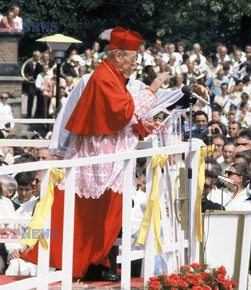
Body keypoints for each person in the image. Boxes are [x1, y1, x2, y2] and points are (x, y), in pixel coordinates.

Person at [21, 27, 177, 280]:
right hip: (99, 158)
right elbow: (121, 112)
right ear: (118, 56)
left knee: (108, 214)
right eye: (132, 57)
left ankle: (94, 262)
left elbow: (121, 116)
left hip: (111, 155)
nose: (135, 62)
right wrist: (153, 89)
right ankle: (84, 263)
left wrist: (140, 125)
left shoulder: (113, 75)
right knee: (94, 214)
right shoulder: (103, 76)